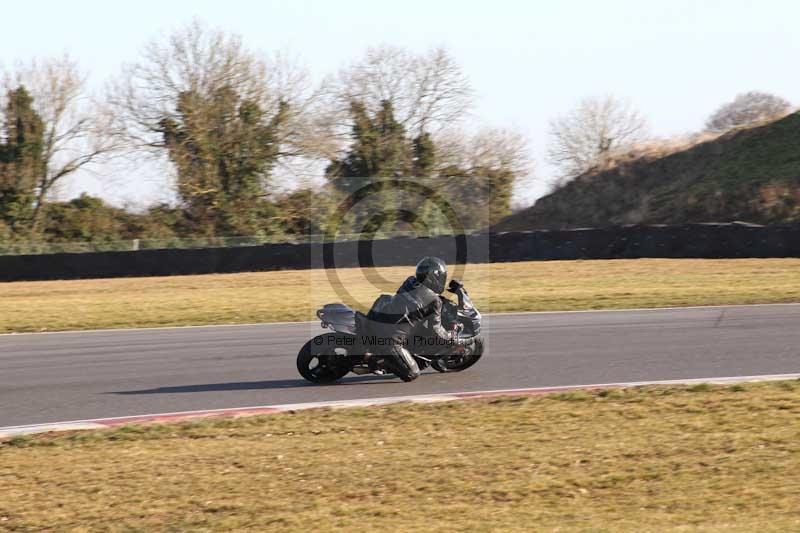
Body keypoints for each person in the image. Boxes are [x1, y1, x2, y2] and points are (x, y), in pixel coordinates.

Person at [366, 256, 461, 382]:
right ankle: (375, 359)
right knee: (412, 373)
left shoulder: (409, 281)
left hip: (380, 320)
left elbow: (413, 299)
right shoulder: (434, 301)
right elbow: (435, 330)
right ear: (433, 277)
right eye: (440, 277)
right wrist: (450, 337)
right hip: (391, 339)